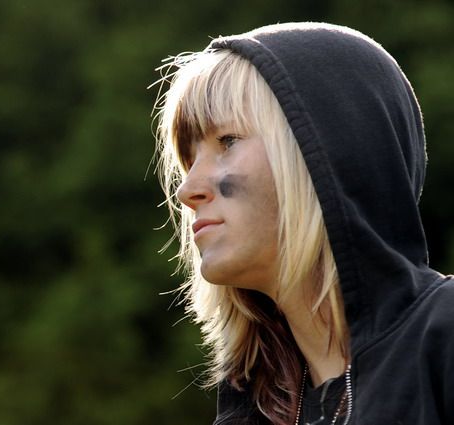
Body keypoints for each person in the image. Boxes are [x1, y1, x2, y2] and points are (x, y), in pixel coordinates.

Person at [152, 22, 453, 425]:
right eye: (189, 161)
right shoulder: (253, 408)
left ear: (330, 152)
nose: (187, 190)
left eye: (227, 141)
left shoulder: (443, 337)